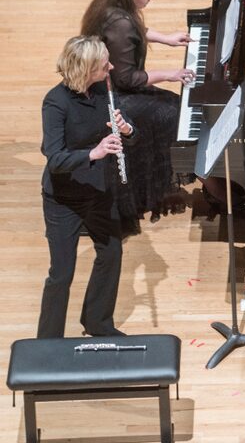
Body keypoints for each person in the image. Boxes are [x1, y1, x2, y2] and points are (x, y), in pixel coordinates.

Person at [80, 0, 195, 232]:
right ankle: (148, 188)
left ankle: (151, 182)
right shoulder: (119, 22)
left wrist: (165, 38)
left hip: (116, 86)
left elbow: (134, 28)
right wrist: (170, 73)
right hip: (112, 96)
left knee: (172, 104)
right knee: (173, 111)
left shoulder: (111, 7)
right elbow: (127, 79)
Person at [38, 36, 137, 338]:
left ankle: (97, 322)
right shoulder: (56, 102)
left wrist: (125, 128)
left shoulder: (103, 89)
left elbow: (128, 130)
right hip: (63, 199)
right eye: (104, 64)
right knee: (61, 273)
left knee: (111, 253)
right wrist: (93, 153)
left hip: (97, 191)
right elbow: (54, 158)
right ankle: (48, 341)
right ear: (86, 70)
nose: (111, 66)